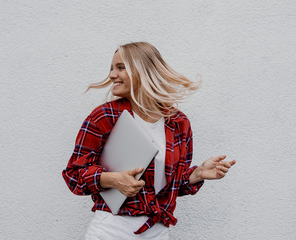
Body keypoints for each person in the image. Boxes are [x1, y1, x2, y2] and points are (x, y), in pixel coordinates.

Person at [62, 42, 236, 240]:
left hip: (157, 231)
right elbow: (73, 175)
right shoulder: (105, 116)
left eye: (120, 67)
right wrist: (114, 180)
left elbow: (170, 187)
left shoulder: (178, 123)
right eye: (112, 68)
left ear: (142, 71)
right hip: (112, 229)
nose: (111, 75)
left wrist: (197, 174)